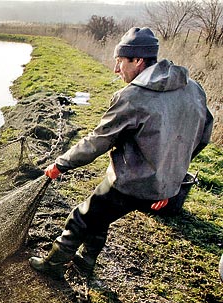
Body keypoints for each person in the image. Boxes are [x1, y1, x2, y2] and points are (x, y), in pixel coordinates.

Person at [30, 27, 213, 280]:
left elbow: (98, 140)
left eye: (120, 62)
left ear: (138, 61)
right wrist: (169, 182)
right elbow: (202, 137)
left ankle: (52, 265)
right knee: (100, 214)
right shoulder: (193, 88)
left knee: (81, 217)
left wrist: (61, 164)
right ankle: (85, 264)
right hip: (164, 187)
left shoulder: (133, 96)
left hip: (133, 183)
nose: (116, 70)